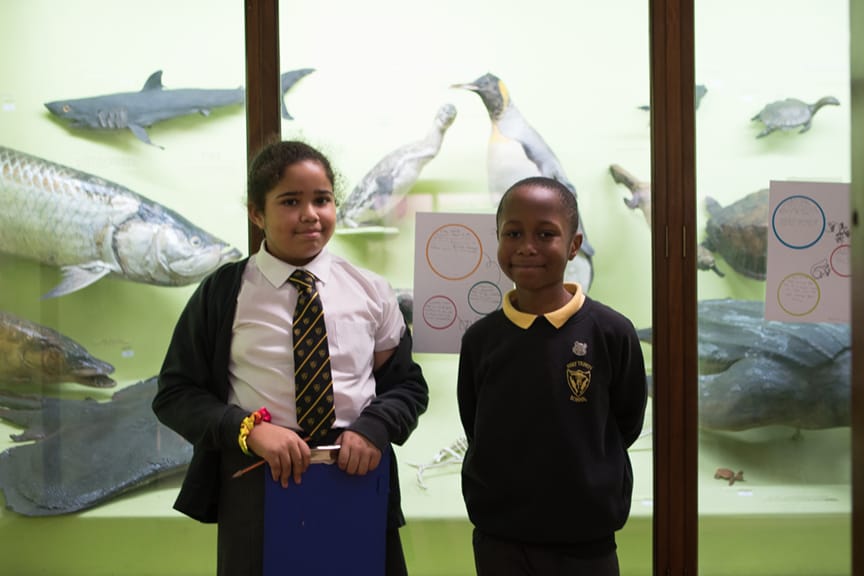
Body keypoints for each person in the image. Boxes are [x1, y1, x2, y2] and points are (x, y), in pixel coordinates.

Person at [152, 139, 429, 576]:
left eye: (322, 199)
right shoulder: (225, 293)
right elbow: (174, 394)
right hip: (259, 483)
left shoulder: (371, 289)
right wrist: (250, 431)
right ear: (256, 213)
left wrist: (374, 428)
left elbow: (406, 386)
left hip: (356, 475)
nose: (310, 215)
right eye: (290, 201)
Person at [456, 176, 648, 576]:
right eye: (513, 233)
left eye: (546, 234)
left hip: (586, 540)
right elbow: (475, 423)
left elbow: (625, 423)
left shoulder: (611, 332)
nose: (527, 247)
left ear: (574, 244)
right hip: (500, 539)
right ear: (498, 240)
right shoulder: (481, 339)